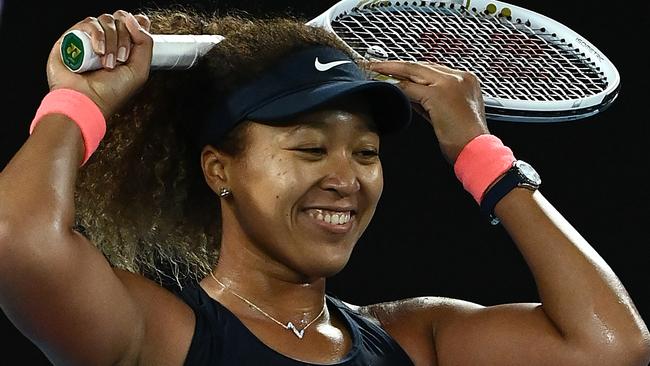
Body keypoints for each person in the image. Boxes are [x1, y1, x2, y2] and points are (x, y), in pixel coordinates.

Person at [0, 7, 648, 366]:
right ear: (218, 169)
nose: (345, 179)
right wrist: (79, 101)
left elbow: (609, 347)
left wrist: (479, 153)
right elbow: (15, 237)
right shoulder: (158, 336)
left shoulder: (413, 342)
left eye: (365, 152)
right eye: (309, 148)